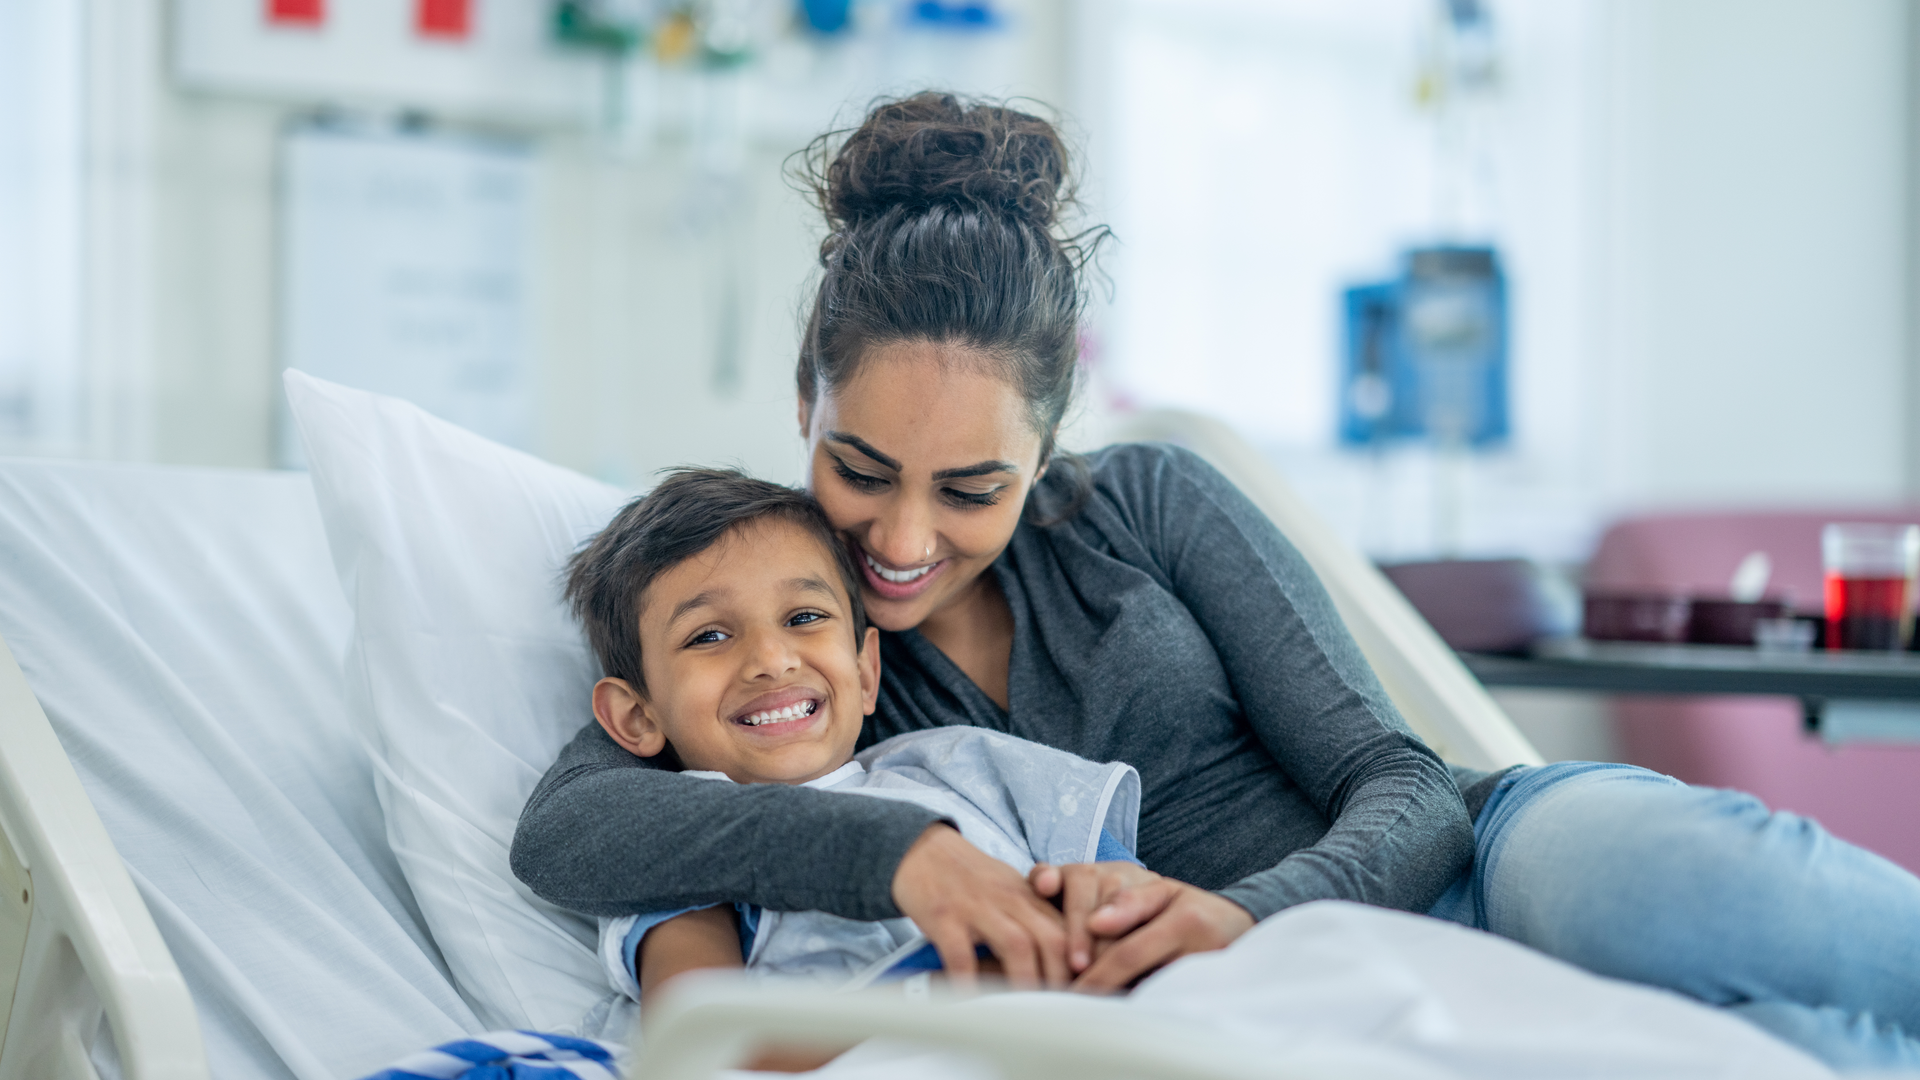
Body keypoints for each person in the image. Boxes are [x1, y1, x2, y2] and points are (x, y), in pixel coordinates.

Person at [512, 92, 1920, 1069]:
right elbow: (574, 829)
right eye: (863, 468)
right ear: (802, 403)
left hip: (1477, 868)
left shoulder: (1146, 503)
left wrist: (1248, 906)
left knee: (1676, 900)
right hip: (1306, 1006)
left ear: (1048, 442)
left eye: (974, 488)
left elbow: (1407, 781)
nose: (902, 539)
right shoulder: (796, 632)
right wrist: (898, 853)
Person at [563, 467, 1143, 1010]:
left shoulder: (970, 766)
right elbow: (706, 1047)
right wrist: (970, 992)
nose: (772, 659)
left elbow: (1142, 908)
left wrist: (1105, 914)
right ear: (636, 717)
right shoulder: (677, 857)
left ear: (866, 673)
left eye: (803, 618)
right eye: (709, 635)